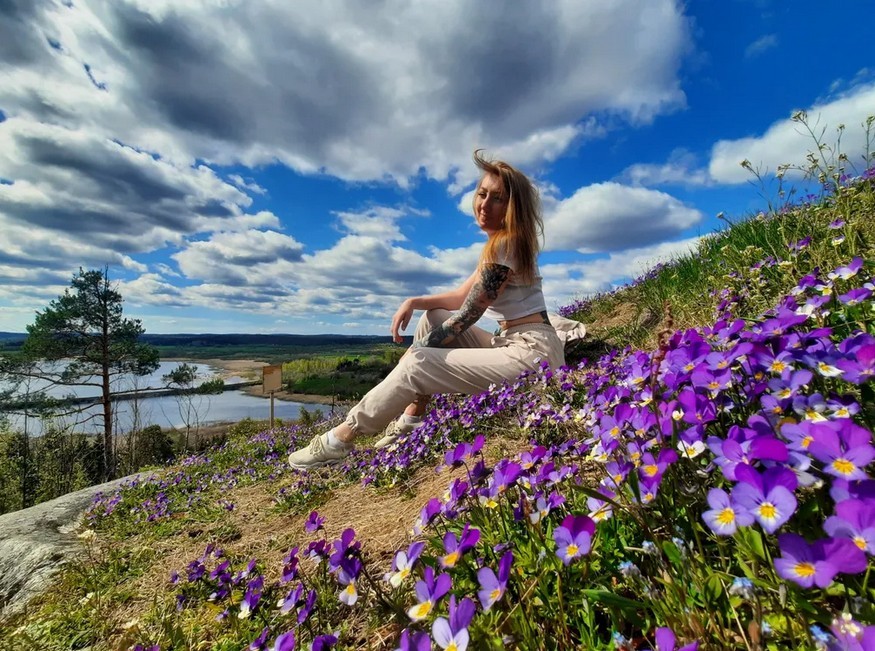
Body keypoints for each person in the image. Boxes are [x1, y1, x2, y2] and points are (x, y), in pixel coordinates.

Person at [288, 150, 575, 470]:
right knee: (433, 318)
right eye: (482, 194)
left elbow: (468, 314)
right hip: (515, 344)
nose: (484, 204)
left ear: (512, 208)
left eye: (497, 199)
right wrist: (413, 302)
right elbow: (457, 298)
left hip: (531, 354)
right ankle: (413, 419)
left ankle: (340, 439)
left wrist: (414, 354)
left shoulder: (505, 244)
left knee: (418, 362)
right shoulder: (500, 245)